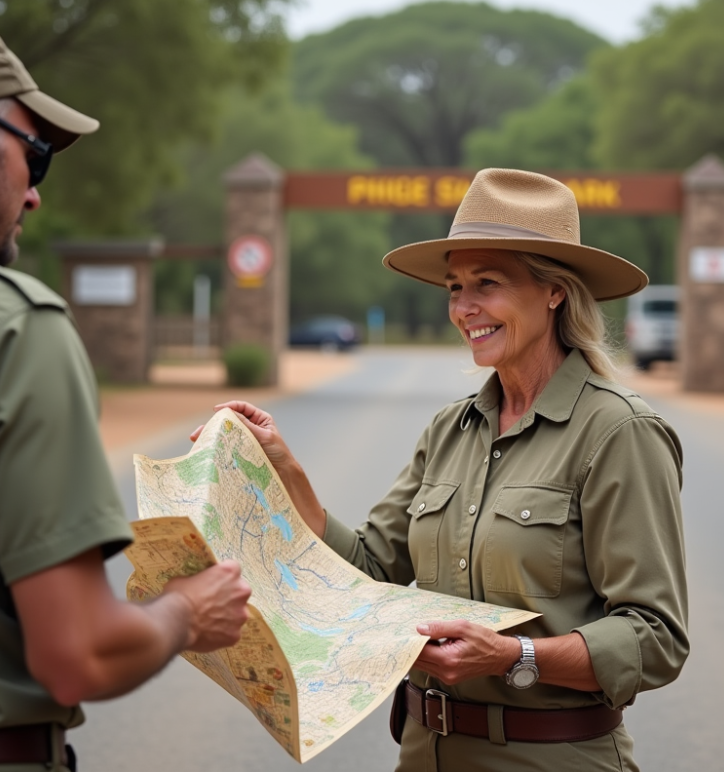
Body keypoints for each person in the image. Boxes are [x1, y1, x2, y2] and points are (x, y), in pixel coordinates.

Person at [0, 20, 251, 771]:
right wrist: (187, 613)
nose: (31, 194)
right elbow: (80, 655)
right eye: (36, 156)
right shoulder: (5, 326)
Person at [204, 168, 688, 771]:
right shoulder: (449, 429)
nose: (464, 308)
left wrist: (514, 655)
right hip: (424, 753)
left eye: (487, 283)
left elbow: (656, 638)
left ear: (554, 291)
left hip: (551, 758)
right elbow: (369, 570)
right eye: (455, 286)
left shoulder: (618, 432)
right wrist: (284, 468)